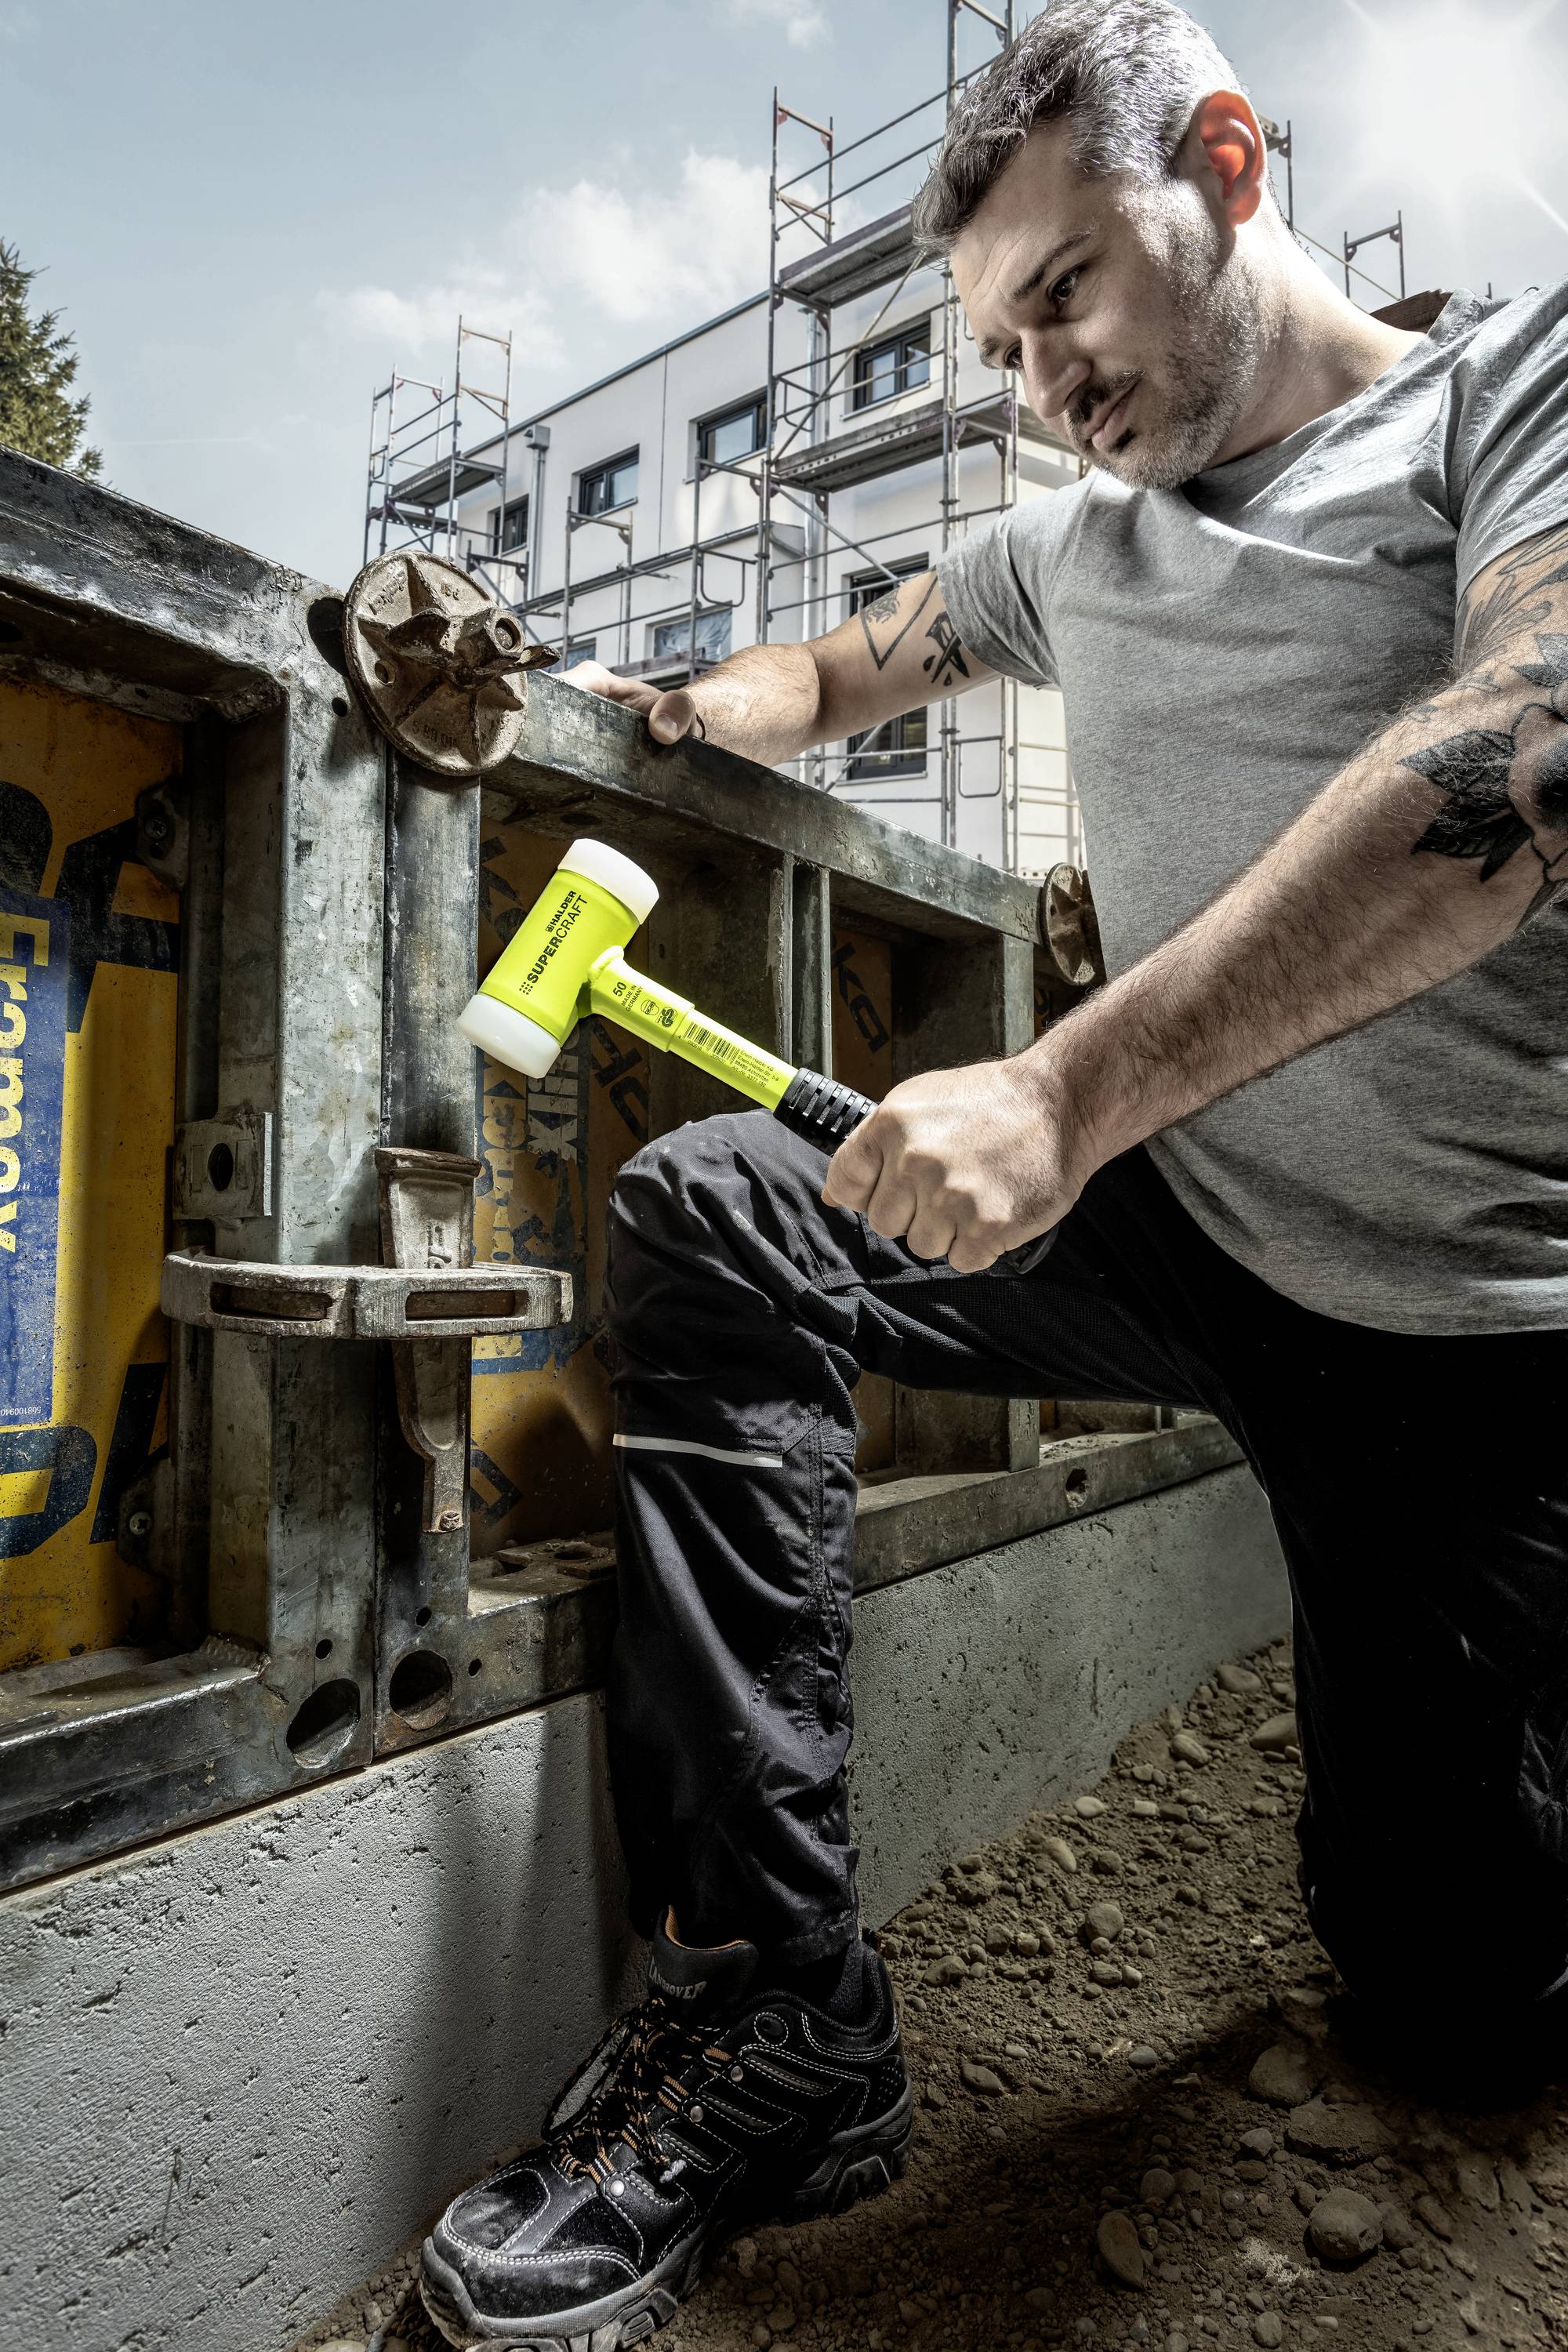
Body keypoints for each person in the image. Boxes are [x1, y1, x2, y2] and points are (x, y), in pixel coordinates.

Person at [421, 2, 1568, 2342]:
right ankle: (780, 2018)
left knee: (1458, 2008)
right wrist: (590, 700)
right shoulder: (1068, 545)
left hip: (1470, 1342)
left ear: (1228, 162)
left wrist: (1059, 1091)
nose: (1040, 376)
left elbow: (1530, 757)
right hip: (1179, 1226)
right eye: (996, 336)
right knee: (722, 1212)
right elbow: (830, 673)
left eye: (1066, 294)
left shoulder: (1507, 397)